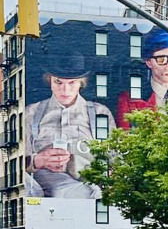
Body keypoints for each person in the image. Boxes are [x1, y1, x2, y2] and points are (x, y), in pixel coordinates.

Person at [26, 51, 115, 198]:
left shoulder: (100, 113)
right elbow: (13, 161)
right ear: (50, 80)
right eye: (58, 82)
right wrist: (36, 161)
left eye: (72, 82)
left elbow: (114, 158)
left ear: (81, 82)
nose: (65, 90)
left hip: (90, 183)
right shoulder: (31, 113)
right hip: (43, 185)